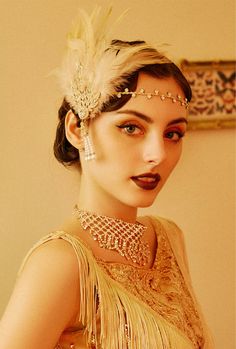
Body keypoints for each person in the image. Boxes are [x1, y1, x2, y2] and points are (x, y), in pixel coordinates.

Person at [0, 7, 213, 349]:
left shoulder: (169, 238)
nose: (157, 154)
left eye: (173, 133)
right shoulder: (61, 264)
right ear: (76, 129)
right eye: (131, 127)